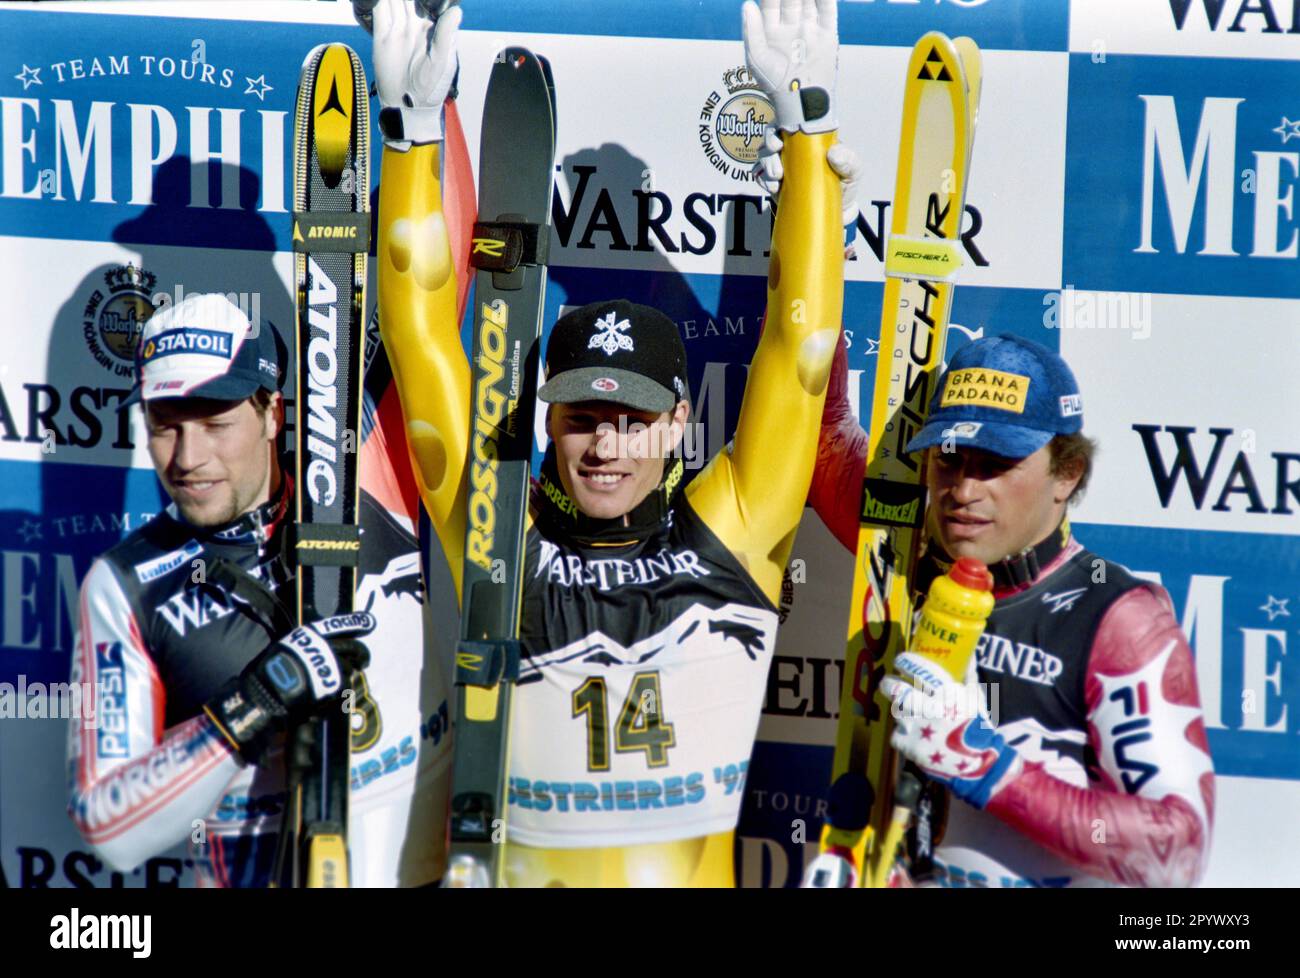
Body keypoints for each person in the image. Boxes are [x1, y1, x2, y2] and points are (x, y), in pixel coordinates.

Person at [361, 0, 845, 886]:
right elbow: (423, 343)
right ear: (547, 423)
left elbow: (799, 353)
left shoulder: (734, 530)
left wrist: (806, 135)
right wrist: (410, 138)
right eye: (582, 418)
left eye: (631, 420)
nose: (605, 447)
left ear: (677, 426)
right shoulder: (498, 537)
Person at [66, 292, 452, 887]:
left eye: (217, 424)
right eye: (164, 428)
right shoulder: (125, 585)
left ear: (273, 411)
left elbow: (428, 266)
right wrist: (254, 703)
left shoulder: (362, 470)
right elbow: (109, 827)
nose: (188, 459)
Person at [813, 332, 1215, 887]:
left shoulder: (1120, 618)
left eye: (996, 465)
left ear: (1067, 473)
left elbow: (1177, 851)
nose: (963, 490)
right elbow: (822, 438)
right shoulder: (905, 552)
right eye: (949, 460)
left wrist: (989, 767)